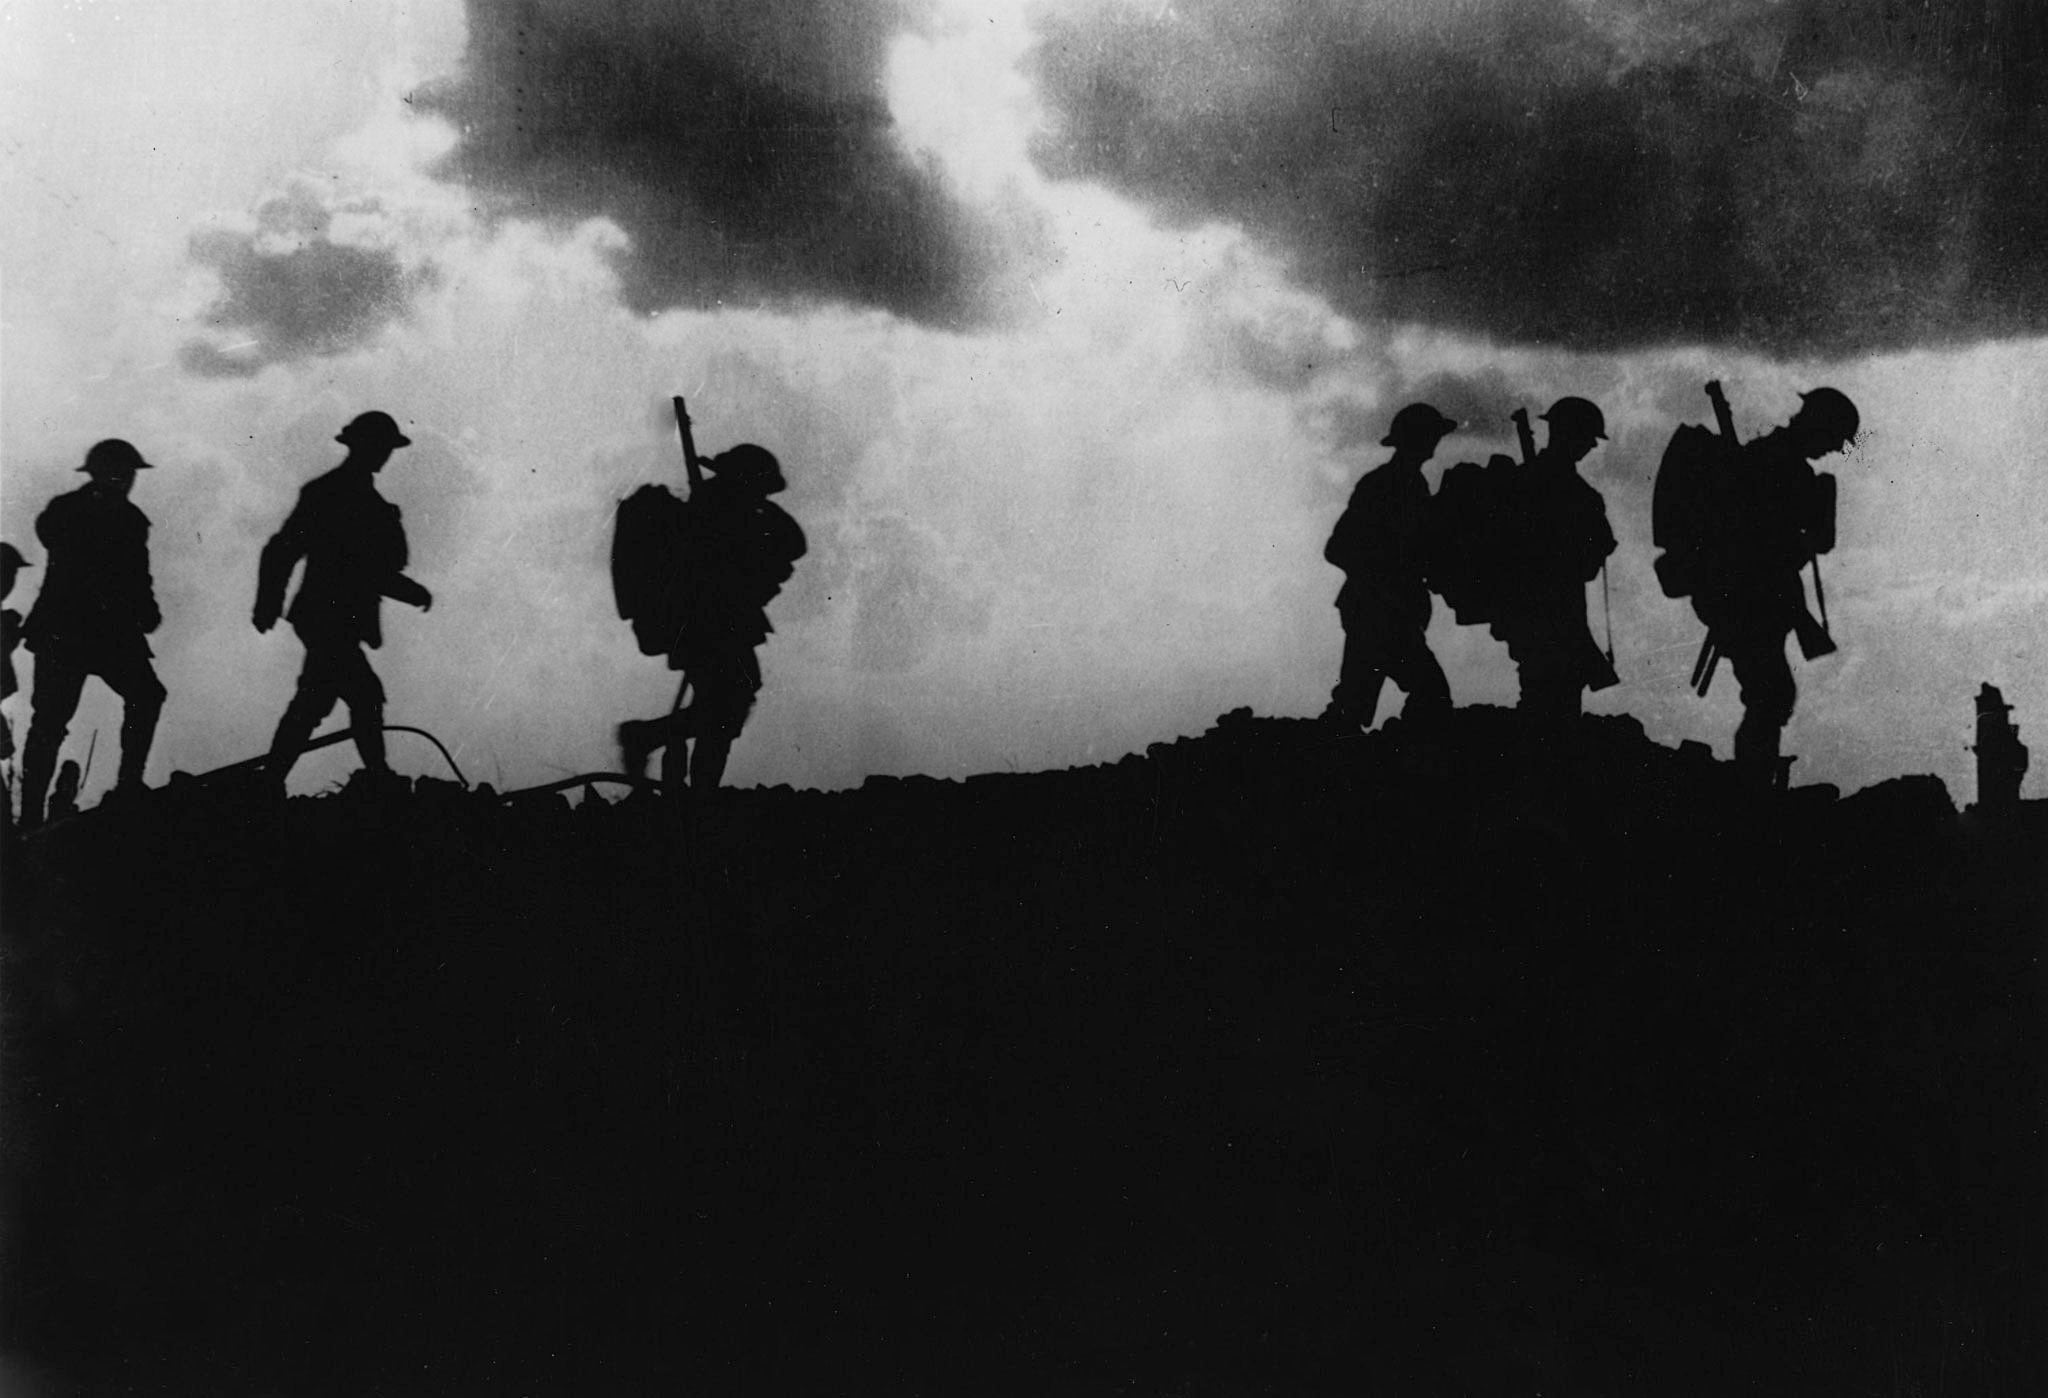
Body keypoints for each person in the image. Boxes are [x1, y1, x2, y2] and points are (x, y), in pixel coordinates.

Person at [254, 411, 432, 788]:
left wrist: (407, 590)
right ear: (362, 447)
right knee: (361, 695)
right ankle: (374, 775)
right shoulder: (329, 493)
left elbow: (370, 569)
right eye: (380, 447)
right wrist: (268, 602)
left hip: (340, 618)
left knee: (318, 699)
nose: (384, 455)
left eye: (386, 448)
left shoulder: (365, 499)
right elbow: (284, 550)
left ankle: (273, 778)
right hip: (325, 617)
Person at [1689, 388, 1857, 785]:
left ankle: (1755, 781)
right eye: (1833, 438)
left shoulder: (1771, 460)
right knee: (1771, 695)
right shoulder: (1781, 466)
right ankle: (1752, 786)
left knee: (1771, 695)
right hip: (1753, 599)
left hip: (1759, 599)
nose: (1834, 449)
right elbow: (1769, 541)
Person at [617, 444, 806, 794]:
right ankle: (656, 745)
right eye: (759, 487)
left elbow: (792, 542)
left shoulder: (726, 505)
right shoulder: (718, 509)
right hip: (709, 626)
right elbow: (787, 542)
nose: (763, 495)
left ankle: (657, 744)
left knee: (723, 707)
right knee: (726, 707)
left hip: (718, 624)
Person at [18, 440, 167, 824]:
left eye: (129, 473)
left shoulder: (125, 519)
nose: (127, 480)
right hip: (73, 631)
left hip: (99, 632)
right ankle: (34, 811)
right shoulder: (69, 512)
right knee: (50, 720)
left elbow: (138, 575)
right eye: (120, 472)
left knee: (146, 696)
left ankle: (127, 785)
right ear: (101, 473)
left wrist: (146, 609)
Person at [1321, 403, 1457, 731]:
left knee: (1354, 703)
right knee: (1429, 693)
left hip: (1386, 611)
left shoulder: (1413, 485)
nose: (1434, 443)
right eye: (1430, 436)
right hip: (1379, 612)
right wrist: (1384, 581)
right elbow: (1338, 549)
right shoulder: (1382, 485)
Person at [1489, 397, 1617, 721]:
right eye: (1586, 438)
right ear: (1570, 435)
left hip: (1534, 615)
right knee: (1554, 706)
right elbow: (1589, 562)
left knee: (1544, 700)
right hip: (1552, 614)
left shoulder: (1523, 482)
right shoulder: (1578, 494)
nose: (1589, 446)